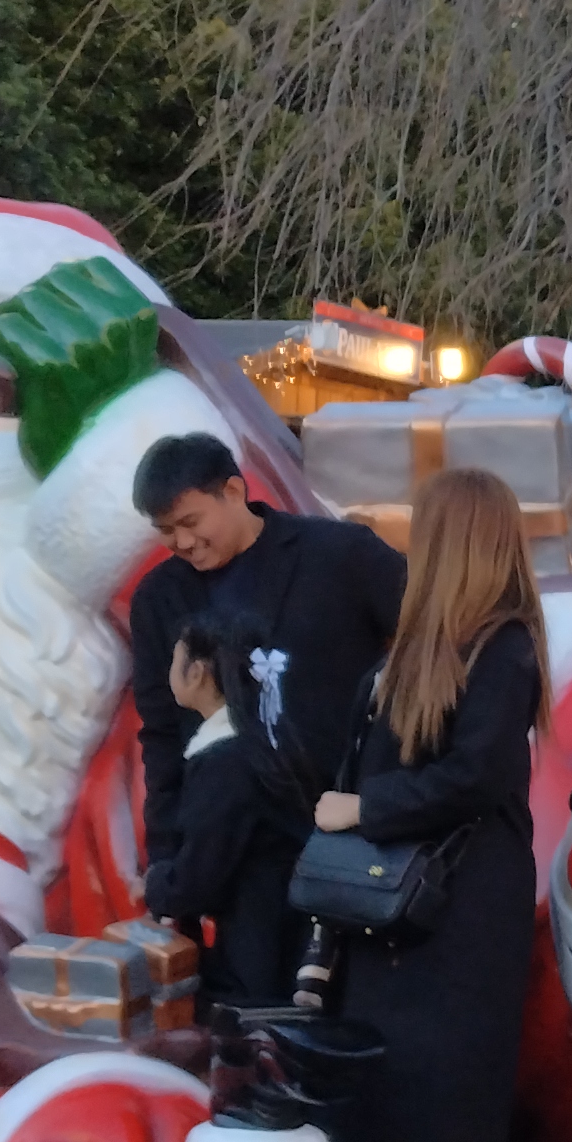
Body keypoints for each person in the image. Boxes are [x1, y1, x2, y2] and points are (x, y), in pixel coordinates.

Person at [315, 469, 549, 1142]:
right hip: (409, 908)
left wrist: (363, 808)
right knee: (395, 1090)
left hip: (459, 911)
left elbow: (476, 777)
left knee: (445, 1104)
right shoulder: (439, 642)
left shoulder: (504, 647)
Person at [128, 434, 405, 1015]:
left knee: (352, 1010)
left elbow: (434, 637)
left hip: (346, 838)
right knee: (254, 1016)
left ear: (234, 490)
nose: (182, 543)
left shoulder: (338, 554)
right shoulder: (160, 598)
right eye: (165, 532)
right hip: (235, 854)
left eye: (190, 522)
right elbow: (160, 735)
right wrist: (167, 863)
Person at [140, 622, 265, 963]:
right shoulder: (255, 739)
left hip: (252, 944)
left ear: (196, 673)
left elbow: (198, 878)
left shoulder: (225, 763)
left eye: (174, 659)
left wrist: (158, 885)